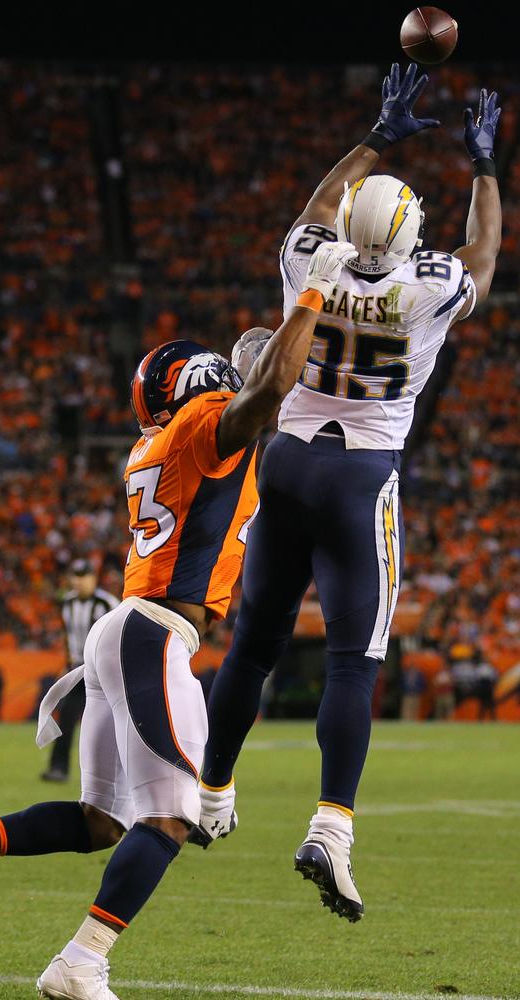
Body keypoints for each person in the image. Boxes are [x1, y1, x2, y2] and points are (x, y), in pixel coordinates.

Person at [0, 239, 356, 1000]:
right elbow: (263, 398)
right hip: (153, 636)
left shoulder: (156, 441)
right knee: (172, 818)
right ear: (198, 385)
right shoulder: (203, 424)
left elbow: (260, 405)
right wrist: (314, 295)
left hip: (127, 631)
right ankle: (82, 961)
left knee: (104, 820)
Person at [191, 65, 502, 924]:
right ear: (406, 237)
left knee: (252, 642)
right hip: (363, 475)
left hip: (286, 456)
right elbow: (484, 255)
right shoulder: (428, 286)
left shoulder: (307, 258)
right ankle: (331, 827)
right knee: (353, 660)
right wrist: (485, 167)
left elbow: (321, 206)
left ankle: (211, 793)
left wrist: (379, 136)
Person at [41, 559, 119, 782]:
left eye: (83, 576)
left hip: (104, 670)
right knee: (66, 716)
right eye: (75, 576)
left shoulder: (107, 603)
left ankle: (114, 772)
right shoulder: (67, 602)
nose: (79, 581)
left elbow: (115, 636)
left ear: (93, 578)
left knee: (110, 721)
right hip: (78, 668)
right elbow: (68, 637)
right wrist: (67, 663)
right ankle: (58, 768)